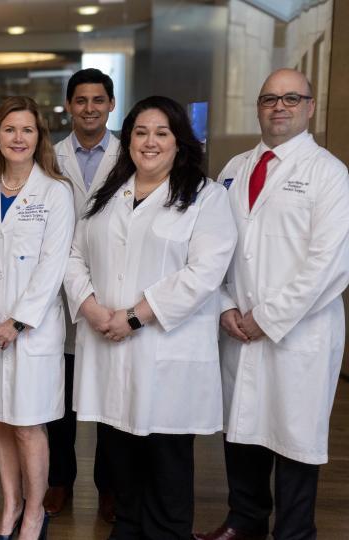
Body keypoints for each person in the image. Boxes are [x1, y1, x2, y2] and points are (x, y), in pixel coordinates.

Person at [197, 69, 349, 540]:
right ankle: (244, 521)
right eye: (270, 98)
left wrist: (267, 318)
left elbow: (329, 264)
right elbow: (216, 246)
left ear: (310, 106)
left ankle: (294, 531)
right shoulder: (233, 169)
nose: (280, 107)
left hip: (298, 332)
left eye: (292, 98)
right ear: (258, 106)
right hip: (236, 325)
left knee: (294, 437)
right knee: (241, 428)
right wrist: (225, 304)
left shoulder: (328, 175)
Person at [63, 96, 237, 539]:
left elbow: (204, 274)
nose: (150, 141)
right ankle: (129, 529)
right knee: (121, 455)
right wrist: (91, 307)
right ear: (128, 139)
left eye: (162, 133)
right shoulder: (109, 194)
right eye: (141, 132)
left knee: (166, 461)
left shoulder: (207, 197)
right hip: (109, 345)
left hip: (165, 351)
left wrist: (134, 318)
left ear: (180, 141)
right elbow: (72, 255)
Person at [0, 96, 74, 540]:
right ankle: (9, 509)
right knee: (1, 421)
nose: (18, 138)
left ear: (39, 136)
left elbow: (53, 263)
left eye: (27, 130)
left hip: (31, 331)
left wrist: (17, 322)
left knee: (29, 424)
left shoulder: (55, 192)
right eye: (9, 129)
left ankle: (34, 515)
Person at [46, 67, 121, 522]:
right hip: (59, 296)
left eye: (98, 100)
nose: (89, 108)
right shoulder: (50, 157)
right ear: (70, 106)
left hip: (112, 295)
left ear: (111, 104)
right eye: (81, 100)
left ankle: (110, 488)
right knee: (60, 401)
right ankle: (59, 481)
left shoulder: (131, 155)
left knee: (111, 402)